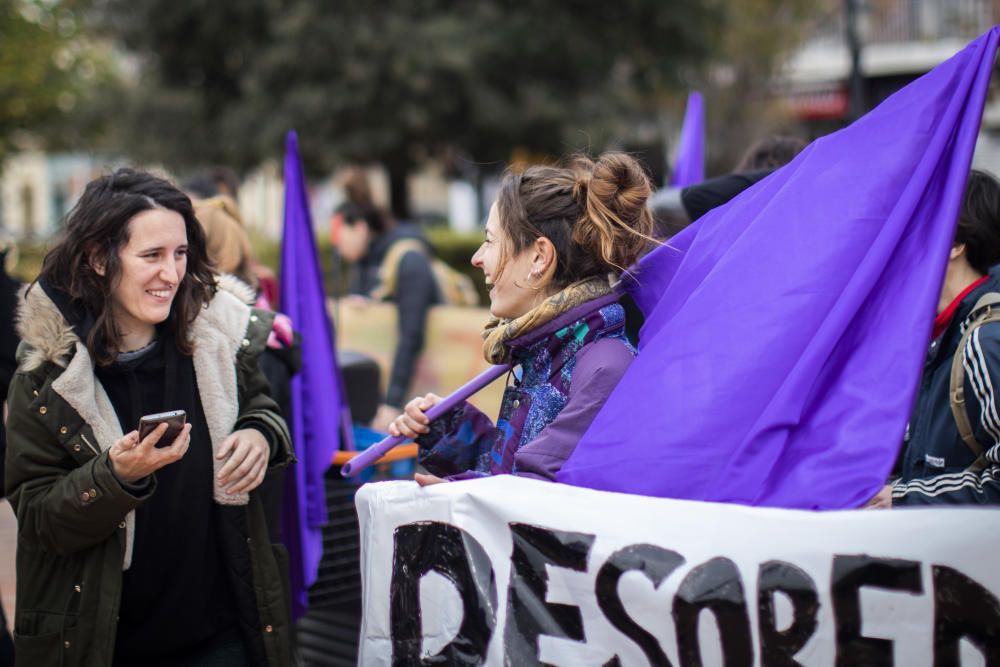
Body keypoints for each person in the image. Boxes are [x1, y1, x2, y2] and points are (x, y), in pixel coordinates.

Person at [4, 168, 294, 666]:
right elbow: (37, 518)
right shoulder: (47, 377)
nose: (172, 273)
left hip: (223, 636)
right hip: (101, 643)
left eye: (180, 254)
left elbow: (262, 407)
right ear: (98, 258)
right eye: (151, 256)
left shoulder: (218, 340)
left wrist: (260, 434)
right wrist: (116, 477)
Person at [389, 152, 654, 483]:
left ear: (539, 257)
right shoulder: (549, 352)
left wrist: (457, 494)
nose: (477, 258)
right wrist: (448, 428)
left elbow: (542, 501)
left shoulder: (604, 367)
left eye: (489, 241)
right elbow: (509, 468)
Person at [867, 170, 1000, 507]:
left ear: (954, 245)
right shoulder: (934, 338)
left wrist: (901, 496)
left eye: (918, 228)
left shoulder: (985, 340)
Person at [332, 168, 445, 431]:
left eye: (339, 236)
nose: (336, 245)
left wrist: (391, 403)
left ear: (359, 229)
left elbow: (411, 335)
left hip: (419, 401)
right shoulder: (367, 263)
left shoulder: (409, 261)